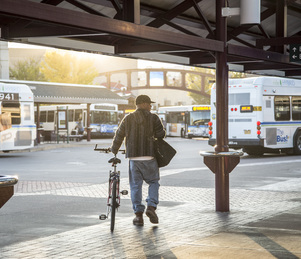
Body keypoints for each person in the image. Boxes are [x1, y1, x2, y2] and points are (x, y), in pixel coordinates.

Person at [111, 94, 166, 226]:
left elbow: (119, 135)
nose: (151, 106)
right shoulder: (153, 118)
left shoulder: (128, 118)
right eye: (149, 104)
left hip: (134, 158)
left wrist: (114, 150)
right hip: (150, 156)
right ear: (144, 104)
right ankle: (151, 207)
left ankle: (138, 216)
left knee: (136, 186)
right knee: (153, 182)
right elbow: (161, 134)